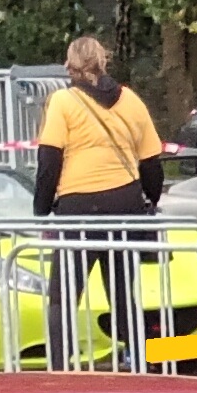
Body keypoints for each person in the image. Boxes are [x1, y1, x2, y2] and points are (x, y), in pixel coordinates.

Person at [31, 36, 168, 370]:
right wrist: (148, 198)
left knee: (63, 298)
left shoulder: (62, 102)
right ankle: (143, 367)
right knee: (123, 296)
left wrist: (42, 207)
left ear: (70, 65)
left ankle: (59, 373)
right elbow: (152, 163)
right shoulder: (131, 100)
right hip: (124, 207)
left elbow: (49, 161)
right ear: (102, 60)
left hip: (78, 211)